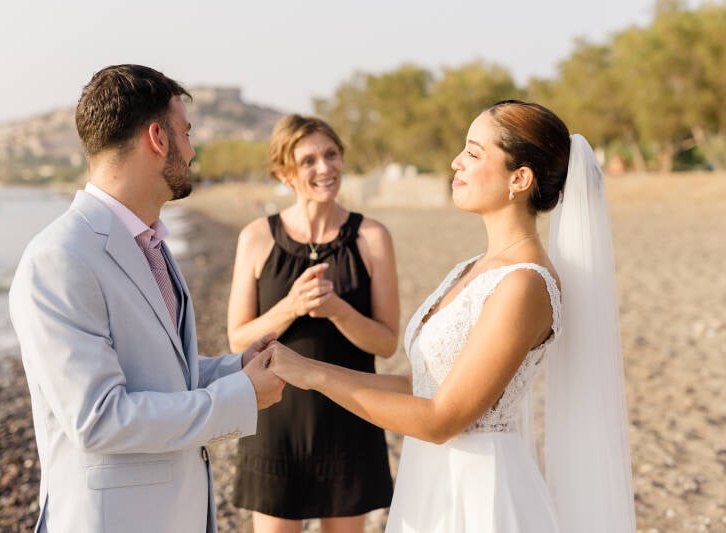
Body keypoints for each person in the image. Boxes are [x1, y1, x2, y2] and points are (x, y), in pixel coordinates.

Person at [266, 101, 637, 532]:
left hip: (481, 489)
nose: (456, 162)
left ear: (519, 178)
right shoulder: (470, 268)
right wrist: (302, 369)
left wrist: (314, 377)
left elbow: (442, 419)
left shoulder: (524, 285)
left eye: (474, 153)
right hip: (431, 479)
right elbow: (419, 386)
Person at [8, 64, 285, 533]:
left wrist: (235, 367)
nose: (193, 151)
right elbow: (99, 418)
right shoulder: (58, 258)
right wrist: (240, 395)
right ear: (158, 138)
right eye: (186, 132)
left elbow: (159, 372)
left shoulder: (150, 242)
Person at [227, 114, 400, 533]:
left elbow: (387, 342)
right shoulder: (256, 237)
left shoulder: (372, 237)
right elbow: (238, 341)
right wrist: (291, 306)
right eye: (308, 160)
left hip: (351, 420)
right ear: (284, 172)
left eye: (331, 154)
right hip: (274, 425)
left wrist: (337, 310)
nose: (325, 168)